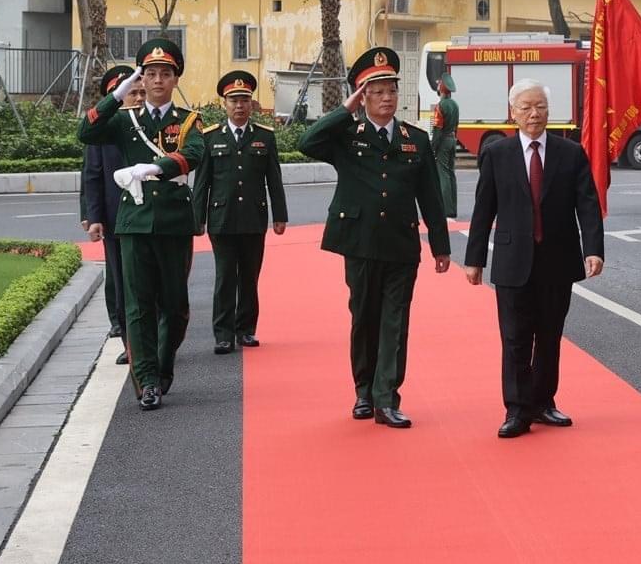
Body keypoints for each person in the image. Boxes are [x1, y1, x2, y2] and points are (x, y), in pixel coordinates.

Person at [299, 47, 451, 429]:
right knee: (364, 317)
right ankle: (363, 392)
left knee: (395, 322)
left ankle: (387, 398)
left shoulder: (414, 138)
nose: (386, 98)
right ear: (362, 95)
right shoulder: (348, 135)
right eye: (377, 90)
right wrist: (343, 110)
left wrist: (441, 245)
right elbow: (307, 142)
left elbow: (431, 196)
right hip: (360, 243)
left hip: (401, 244)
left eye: (391, 91)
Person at [464, 79, 605, 438]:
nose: (534, 113)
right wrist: (474, 258)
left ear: (549, 110)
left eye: (540, 106)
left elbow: (587, 204)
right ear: (513, 113)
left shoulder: (570, 153)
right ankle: (516, 410)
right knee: (514, 338)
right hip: (513, 261)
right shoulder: (497, 154)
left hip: (557, 259)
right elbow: (484, 209)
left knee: (549, 336)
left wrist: (593, 249)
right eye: (526, 107)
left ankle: (543, 403)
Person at [77, 39, 204, 412]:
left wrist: (155, 168)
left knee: (176, 306)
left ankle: (164, 367)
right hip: (133, 223)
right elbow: (86, 133)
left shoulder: (187, 121)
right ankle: (147, 380)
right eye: (150, 74)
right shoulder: (124, 120)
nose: (158, 80)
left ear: (175, 78)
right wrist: (114, 96)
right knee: (138, 306)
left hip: (173, 223)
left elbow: (193, 153)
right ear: (141, 79)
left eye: (166, 74)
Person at [192, 71, 288, 354]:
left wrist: (280, 215)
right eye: (234, 100)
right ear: (225, 104)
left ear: (251, 104)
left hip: (252, 218)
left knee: (249, 276)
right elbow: (202, 183)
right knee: (225, 278)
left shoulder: (264, 137)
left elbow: (274, 179)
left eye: (244, 100)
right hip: (221, 219)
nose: (239, 105)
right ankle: (223, 333)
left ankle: (245, 330)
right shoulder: (211, 138)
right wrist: (198, 218)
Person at [81, 65, 145, 365]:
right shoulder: (105, 132)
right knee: (121, 283)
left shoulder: (154, 126)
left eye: (141, 93)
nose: (138, 98)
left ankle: (153, 340)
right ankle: (129, 342)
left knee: (151, 283)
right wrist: (92, 216)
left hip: (151, 217)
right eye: (132, 93)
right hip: (116, 218)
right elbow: (92, 176)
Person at [431, 74, 460, 218]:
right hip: (452, 139)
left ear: (441, 89)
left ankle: (446, 209)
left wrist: (433, 147)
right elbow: (456, 126)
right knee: (451, 173)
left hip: (443, 141)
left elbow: (437, 129)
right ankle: (453, 207)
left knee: (443, 174)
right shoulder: (455, 104)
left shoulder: (440, 106)